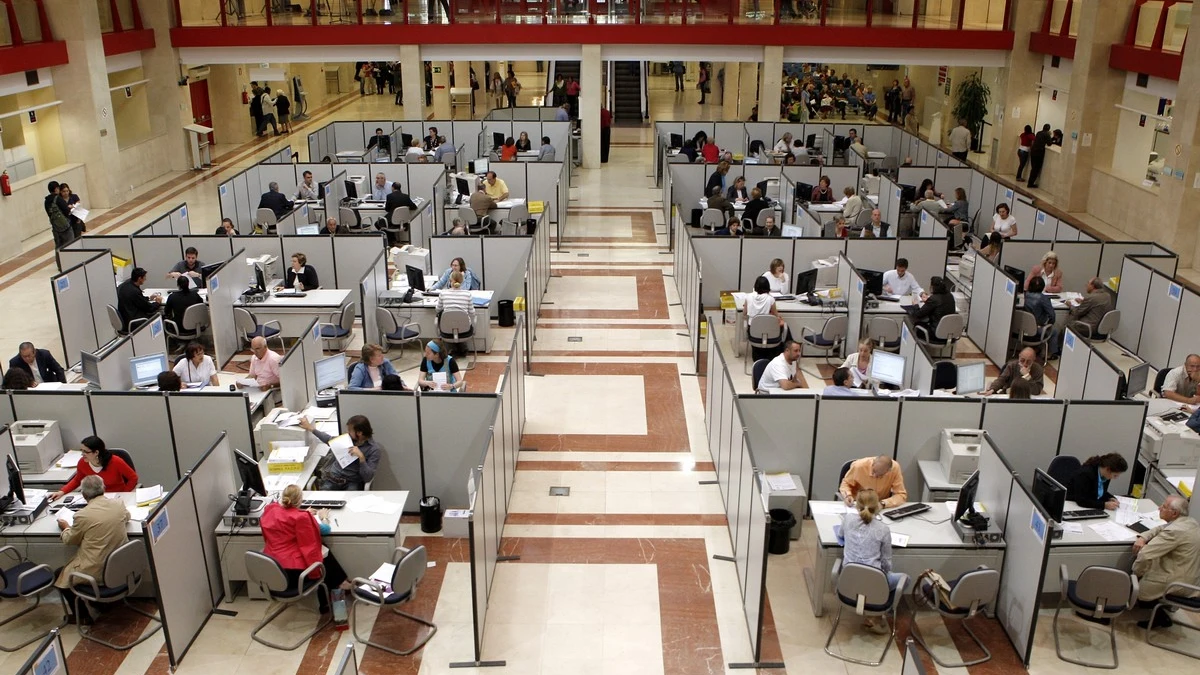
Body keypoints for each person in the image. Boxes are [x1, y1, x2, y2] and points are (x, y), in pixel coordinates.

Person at [260, 484, 351, 614]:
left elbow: (285, 520)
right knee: (324, 558)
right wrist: (323, 517)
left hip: (272, 571)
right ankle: (331, 597)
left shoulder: (271, 510)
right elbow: (323, 532)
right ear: (300, 500)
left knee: (324, 557)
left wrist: (303, 513)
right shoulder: (301, 518)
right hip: (294, 576)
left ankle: (340, 583)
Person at [54, 475, 130, 624]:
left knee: (59, 576)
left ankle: (83, 617)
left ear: (83, 495)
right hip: (121, 566)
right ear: (104, 489)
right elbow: (126, 517)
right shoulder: (118, 504)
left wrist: (65, 527)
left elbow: (70, 540)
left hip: (97, 569)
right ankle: (100, 604)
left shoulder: (82, 516)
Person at [842, 488, 903, 634]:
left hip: (848, 580)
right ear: (878, 507)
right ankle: (877, 613)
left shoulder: (848, 519)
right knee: (904, 579)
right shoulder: (883, 529)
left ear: (857, 505)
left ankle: (870, 607)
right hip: (874, 581)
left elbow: (840, 534)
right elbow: (887, 564)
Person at [1133, 495, 1200, 628]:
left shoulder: (1175, 531)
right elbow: (1161, 528)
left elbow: (1145, 555)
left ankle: (1159, 618)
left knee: (1137, 582)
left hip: (1178, 582)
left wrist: (1136, 573)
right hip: (1190, 577)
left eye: (1164, 506)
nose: (1159, 508)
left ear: (1174, 513)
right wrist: (1143, 537)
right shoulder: (1190, 522)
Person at [298, 415, 381, 490]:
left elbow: (368, 477)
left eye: (350, 431)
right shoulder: (347, 439)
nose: (347, 432)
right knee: (323, 501)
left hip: (351, 482)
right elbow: (328, 439)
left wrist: (361, 458)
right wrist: (310, 428)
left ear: (359, 433)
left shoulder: (373, 449)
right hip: (332, 478)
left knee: (350, 501)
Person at [50, 436, 138, 500]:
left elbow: (133, 478)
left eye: (86, 452)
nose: (82, 454)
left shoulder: (115, 461)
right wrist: (62, 491)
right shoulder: (82, 462)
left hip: (117, 496)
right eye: (82, 451)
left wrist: (125, 494)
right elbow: (77, 480)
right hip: (95, 498)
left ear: (96, 452)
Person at [840, 455, 907, 508]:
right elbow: (845, 484)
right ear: (873, 464)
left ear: (888, 471)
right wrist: (847, 495)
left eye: (880, 476)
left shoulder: (895, 469)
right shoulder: (859, 466)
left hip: (879, 505)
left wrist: (883, 503)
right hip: (858, 504)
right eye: (873, 471)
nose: (874, 476)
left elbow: (901, 495)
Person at [46, 180, 73, 248]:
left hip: (55, 227)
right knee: (71, 244)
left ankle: (59, 259)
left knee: (59, 247)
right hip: (65, 226)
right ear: (56, 189)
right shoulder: (58, 198)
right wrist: (70, 207)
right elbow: (67, 211)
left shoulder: (46, 201)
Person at [1027, 124, 1052, 188]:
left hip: (1033, 151)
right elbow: (1049, 143)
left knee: (1033, 168)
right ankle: (1030, 183)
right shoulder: (1047, 134)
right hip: (1039, 152)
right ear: (1048, 129)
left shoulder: (1038, 133)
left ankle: (1030, 182)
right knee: (1036, 169)